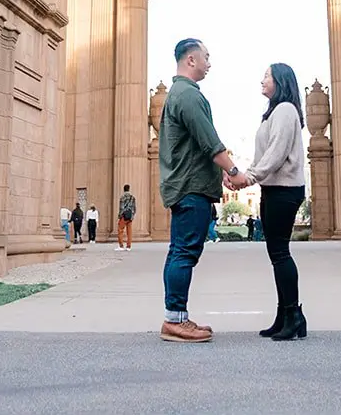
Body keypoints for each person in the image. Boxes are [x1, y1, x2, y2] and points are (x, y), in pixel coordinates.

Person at [157, 37, 246, 342]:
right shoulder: (188, 95)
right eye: (206, 57)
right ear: (191, 60)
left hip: (185, 185)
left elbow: (195, 145)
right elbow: (210, 142)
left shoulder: (179, 94)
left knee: (178, 251)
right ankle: (175, 320)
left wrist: (219, 172)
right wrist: (233, 171)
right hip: (191, 188)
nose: (209, 63)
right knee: (184, 252)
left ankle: (176, 317)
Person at [235, 62, 309, 341]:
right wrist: (245, 175)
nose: (262, 80)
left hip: (284, 190)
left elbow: (277, 153)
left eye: (267, 76)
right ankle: (285, 315)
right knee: (277, 254)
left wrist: (249, 177)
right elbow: (265, 155)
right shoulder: (274, 113)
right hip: (273, 189)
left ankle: (294, 316)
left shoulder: (286, 110)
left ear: (280, 81)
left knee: (280, 253)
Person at [117, 184, 136, 250]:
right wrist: (132, 216)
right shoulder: (132, 197)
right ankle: (128, 246)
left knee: (120, 230)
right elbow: (134, 208)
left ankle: (121, 246)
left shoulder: (122, 197)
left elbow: (121, 208)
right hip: (130, 216)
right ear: (129, 189)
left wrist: (120, 216)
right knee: (129, 232)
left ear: (124, 189)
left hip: (124, 216)